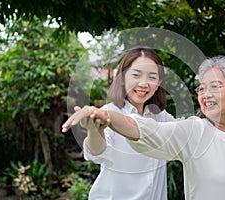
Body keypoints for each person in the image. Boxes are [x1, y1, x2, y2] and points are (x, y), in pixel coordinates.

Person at [62, 55, 225, 200]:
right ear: (122, 77)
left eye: (214, 87)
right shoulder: (194, 131)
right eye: (202, 88)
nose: (205, 94)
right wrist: (104, 118)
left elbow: (165, 128)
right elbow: (143, 132)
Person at [64, 46, 175, 200]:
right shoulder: (108, 112)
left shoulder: (161, 117)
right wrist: (94, 130)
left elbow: (182, 135)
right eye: (136, 75)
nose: (144, 84)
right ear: (122, 78)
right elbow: (98, 152)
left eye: (152, 77)